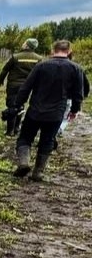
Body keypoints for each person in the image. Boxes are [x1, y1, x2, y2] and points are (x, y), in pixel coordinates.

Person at [12, 39, 85, 181]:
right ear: (69, 51)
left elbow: (26, 86)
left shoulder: (42, 65)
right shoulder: (76, 68)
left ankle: (23, 163)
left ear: (53, 50)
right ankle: (38, 172)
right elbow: (78, 93)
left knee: (25, 138)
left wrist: (18, 104)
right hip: (56, 113)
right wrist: (75, 110)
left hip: (35, 110)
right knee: (47, 141)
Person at [0, 38, 43, 136]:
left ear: (27, 45)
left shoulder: (16, 57)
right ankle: (17, 127)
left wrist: (1, 80)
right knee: (20, 106)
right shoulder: (39, 59)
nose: (23, 44)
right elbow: (40, 74)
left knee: (11, 105)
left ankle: (10, 131)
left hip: (13, 85)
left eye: (24, 42)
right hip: (27, 87)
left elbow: (5, 70)